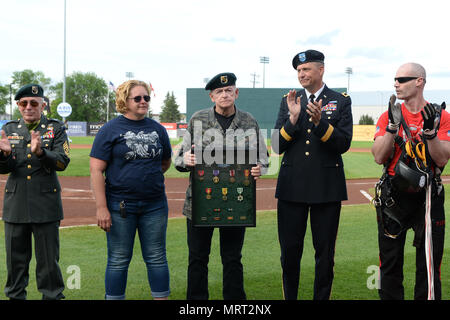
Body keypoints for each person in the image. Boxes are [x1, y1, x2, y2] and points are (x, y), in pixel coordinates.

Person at [174, 72, 268, 300]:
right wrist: (185, 160)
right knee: (197, 258)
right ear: (211, 96)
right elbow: (178, 159)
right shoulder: (197, 120)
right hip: (199, 203)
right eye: (219, 92)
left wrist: (260, 168)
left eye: (228, 90)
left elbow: (263, 158)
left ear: (236, 93)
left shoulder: (249, 121)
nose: (224, 95)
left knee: (233, 257)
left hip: (236, 203)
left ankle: (234, 303)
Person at [272, 50, 353, 300]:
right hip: (291, 189)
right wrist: (293, 119)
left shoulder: (340, 100)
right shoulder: (289, 100)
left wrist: (320, 124)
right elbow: (276, 145)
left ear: (321, 70)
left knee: (325, 255)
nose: (301, 74)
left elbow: (343, 143)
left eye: (306, 69)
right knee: (290, 253)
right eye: (298, 70)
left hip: (326, 189)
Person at [371, 62, 450, 300]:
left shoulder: (441, 116)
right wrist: (392, 129)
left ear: (419, 81)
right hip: (394, 197)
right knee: (390, 264)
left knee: (428, 265)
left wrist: (430, 134)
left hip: (428, 198)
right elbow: (378, 156)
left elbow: (443, 158)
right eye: (395, 79)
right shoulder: (388, 114)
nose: (396, 83)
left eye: (402, 79)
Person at [90, 80, 172, 300]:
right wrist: (101, 207)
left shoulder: (157, 129)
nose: (143, 101)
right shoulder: (109, 129)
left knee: (156, 257)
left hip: (155, 205)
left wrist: (143, 178)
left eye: (146, 97)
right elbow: (96, 170)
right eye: (138, 98)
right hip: (119, 206)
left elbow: (164, 163)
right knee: (118, 259)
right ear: (124, 101)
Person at [0, 84, 70, 300]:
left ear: (43, 105)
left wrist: (41, 152)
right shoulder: (9, 130)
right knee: (15, 263)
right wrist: (4, 155)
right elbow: (4, 169)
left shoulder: (55, 129)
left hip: (46, 206)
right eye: (24, 103)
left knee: (49, 264)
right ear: (19, 106)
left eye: (33, 103)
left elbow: (62, 162)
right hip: (16, 206)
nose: (28, 107)